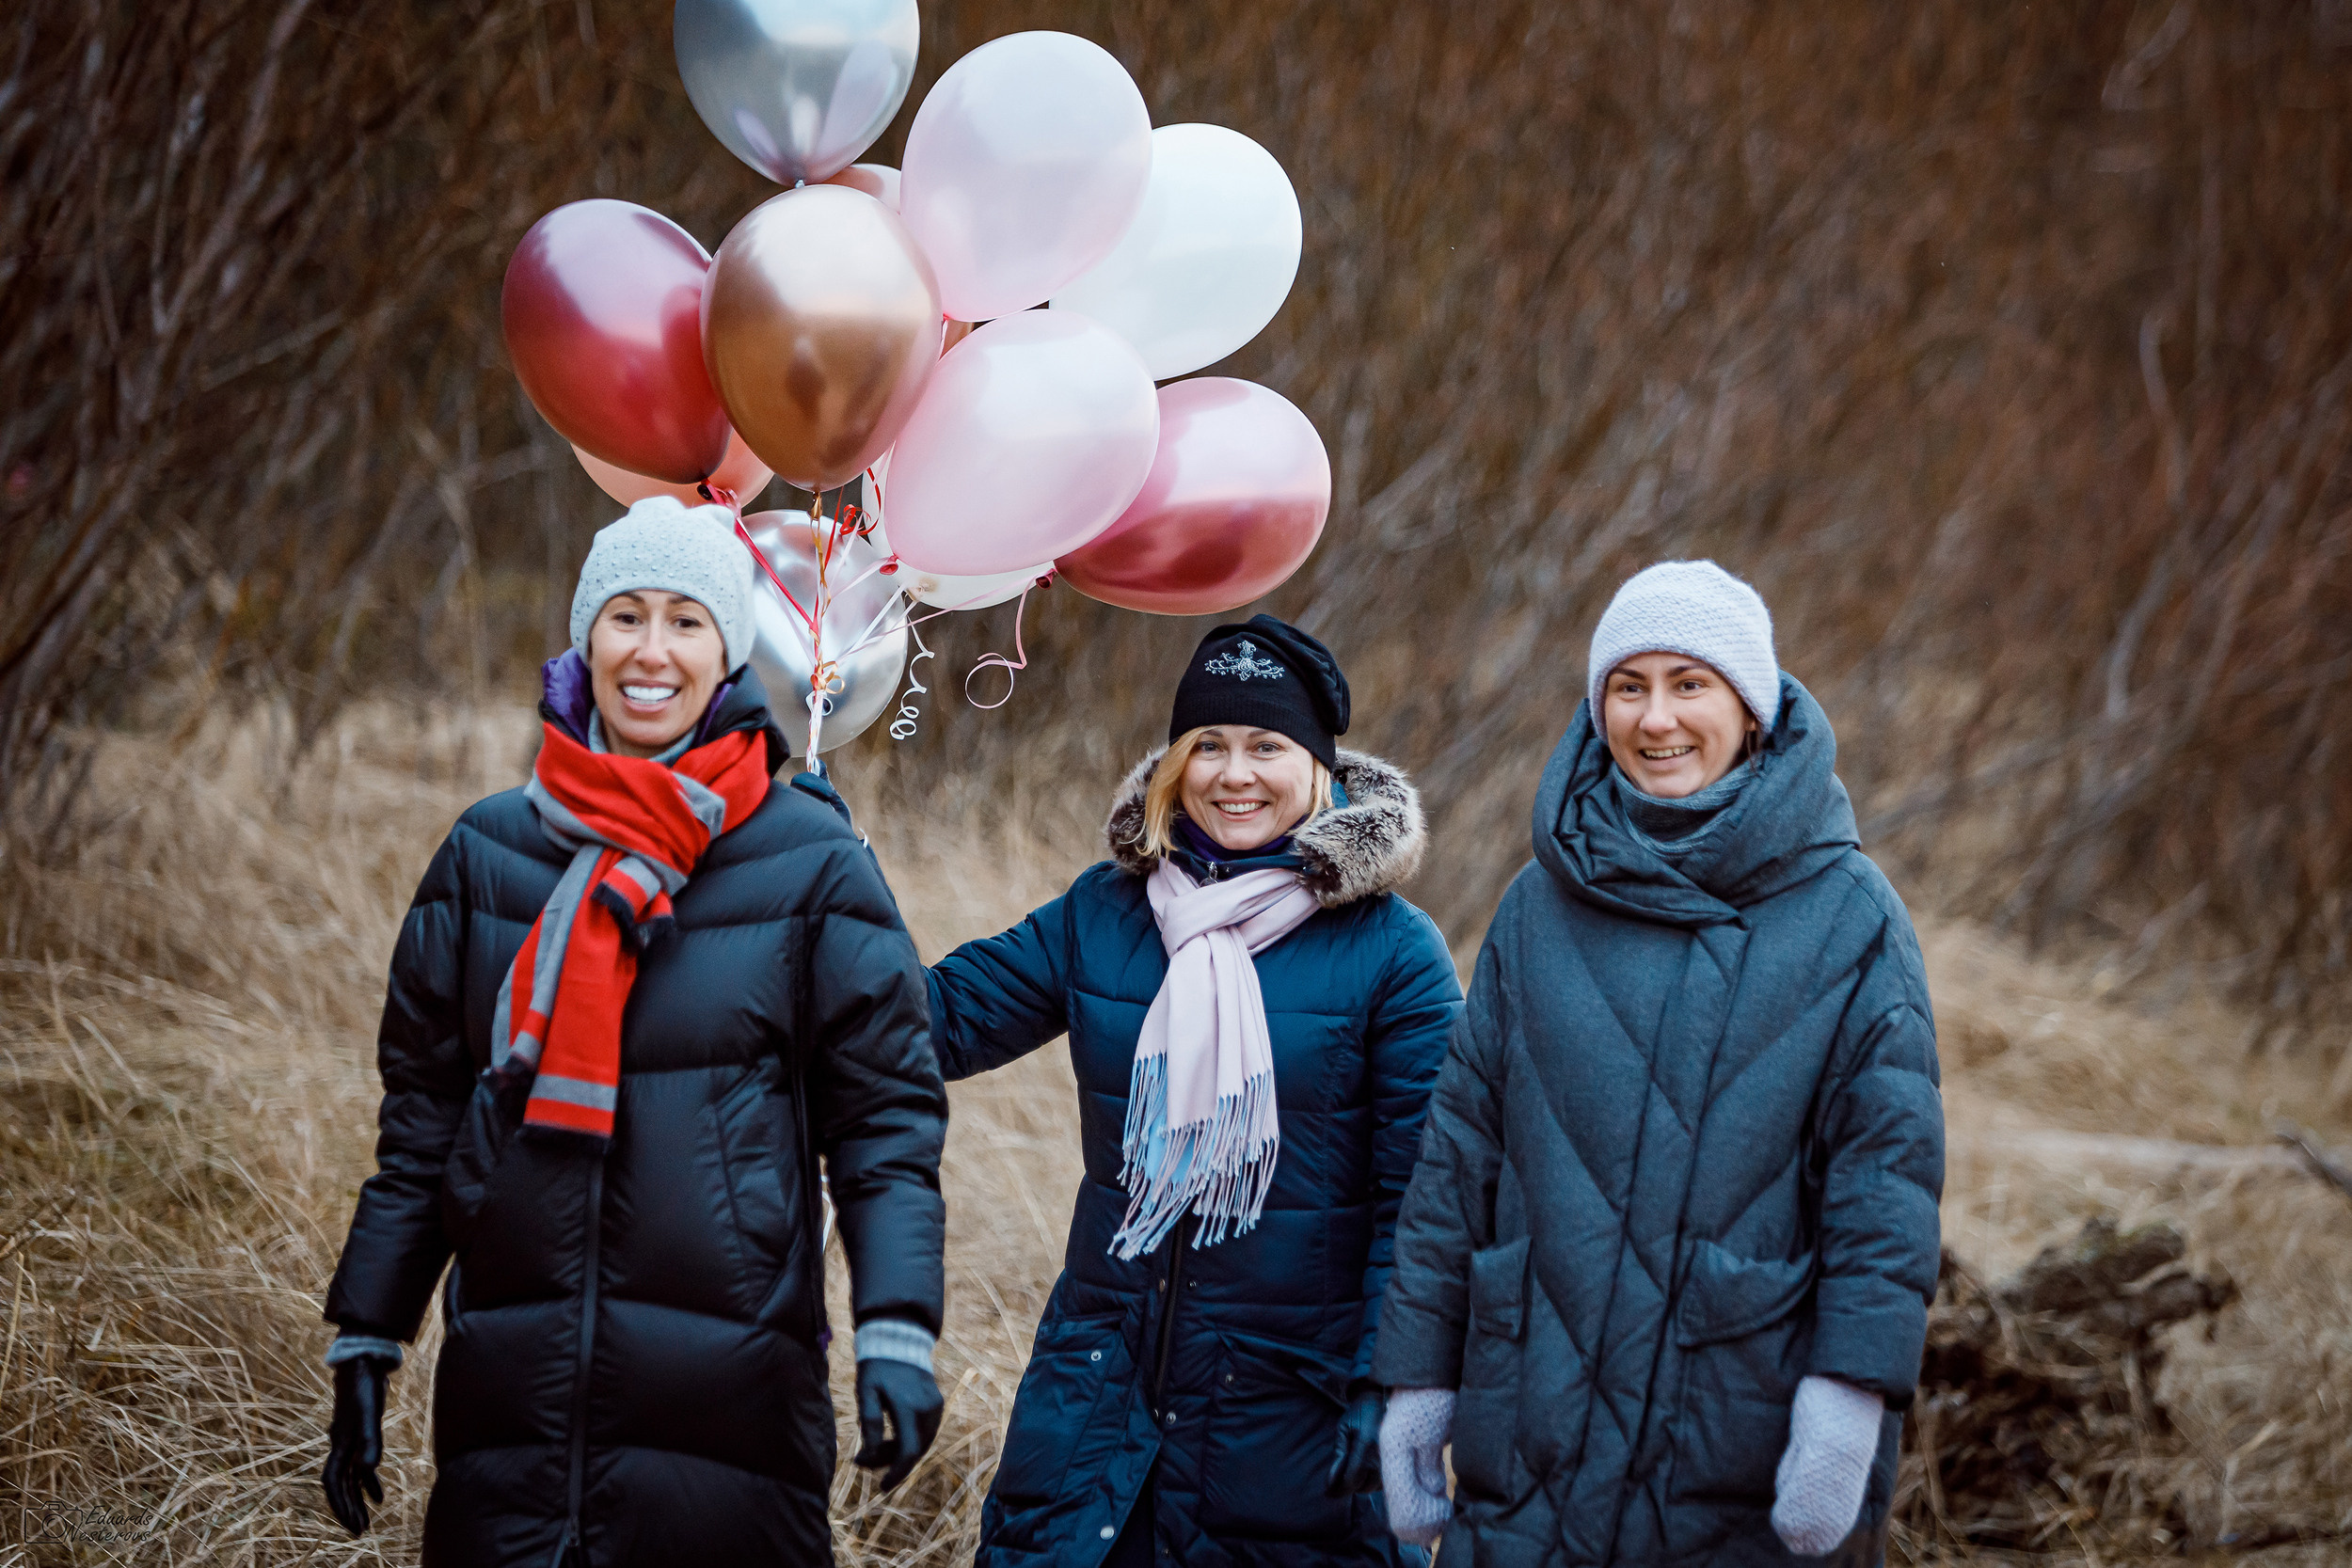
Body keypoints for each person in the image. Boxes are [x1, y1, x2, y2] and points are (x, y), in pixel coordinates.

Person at [317, 496, 949, 1567]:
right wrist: (371, 1326)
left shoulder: (811, 861)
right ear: (585, 637)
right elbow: (422, 1119)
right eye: (624, 616)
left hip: (732, 1397)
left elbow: (884, 1118)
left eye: (685, 620)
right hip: (510, 1391)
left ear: (728, 649)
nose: (651, 650)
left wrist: (898, 1321)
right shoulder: (487, 852)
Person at [1374, 561, 1944, 1566]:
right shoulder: (1534, 908)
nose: (1656, 717)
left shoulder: (1850, 916)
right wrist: (1418, 1380)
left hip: (1737, 1429)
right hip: (1530, 1431)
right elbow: (1456, 1161)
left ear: (1752, 708)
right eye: (1627, 686)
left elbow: (1884, 1181)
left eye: (1690, 683)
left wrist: (1851, 1392)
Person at [927, 615, 1464, 1566]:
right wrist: (825, 878)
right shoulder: (1106, 911)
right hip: (1097, 1409)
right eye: (1207, 744)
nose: (1233, 772)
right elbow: (933, 1021)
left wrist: (1394, 1382)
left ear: (1319, 769)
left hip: (1290, 1427)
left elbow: (1423, 1200)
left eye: (1266, 744)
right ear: (1174, 763)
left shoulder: (1392, 951)